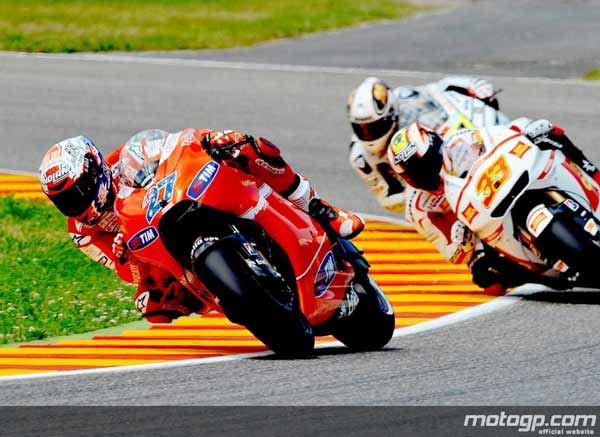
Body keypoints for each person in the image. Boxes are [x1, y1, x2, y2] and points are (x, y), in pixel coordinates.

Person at [39, 129, 364, 322]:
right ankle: (226, 293)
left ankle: (322, 209)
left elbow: (175, 146)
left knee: (248, 148)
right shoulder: (81, 233)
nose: (76, 205)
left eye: (79, 191)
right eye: (65, 201)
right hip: (151, 252)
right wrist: (125, 257)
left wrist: (209, 140)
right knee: (152, 306)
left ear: (95, 170)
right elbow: (124, 274)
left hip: (176, 201)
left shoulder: (121, 159)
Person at [386, 119, 600, 293]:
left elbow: (496, 135)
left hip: (500, 186)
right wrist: (463, 243)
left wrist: (522, 129)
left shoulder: (459, 142)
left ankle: (593, 176)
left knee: (550, 134)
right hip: (480, 233)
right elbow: (452, 251)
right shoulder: (419, 207)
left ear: (436, 147)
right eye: (417, 174)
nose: (426, 175)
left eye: (427, 164)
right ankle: (541, 277)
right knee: (488, 278)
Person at [347, 76, 504, 213]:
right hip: (440, 192)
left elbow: (440, 87)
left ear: (391, 113)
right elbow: (388, 201)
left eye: (375, 127)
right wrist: (418, 189)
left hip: (461, 143)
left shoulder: (406, 98)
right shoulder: (361, 159)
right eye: (361, 129)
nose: (368, 135)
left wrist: (472, 86)